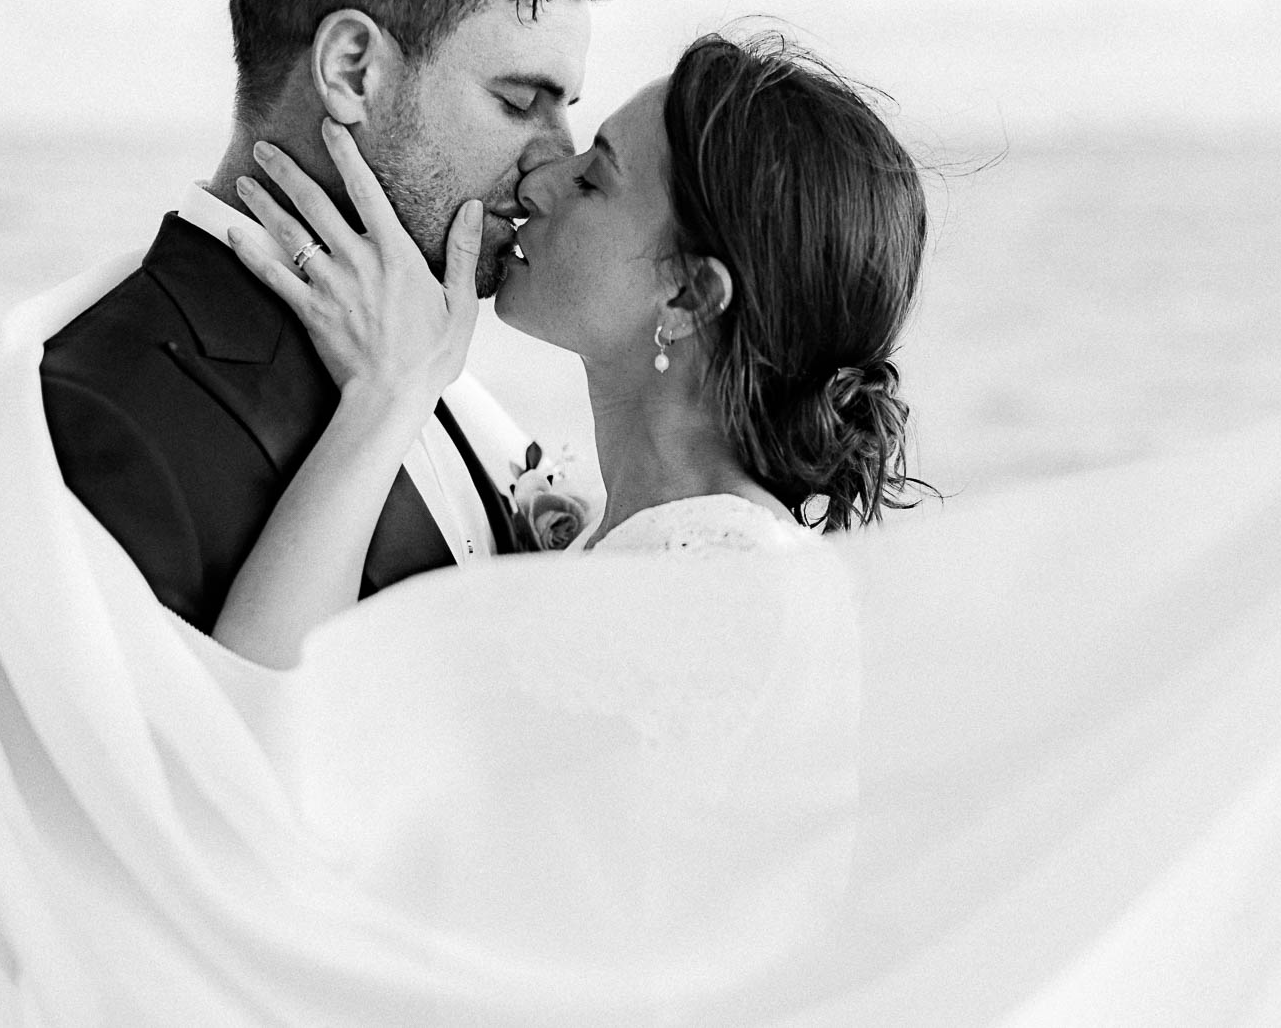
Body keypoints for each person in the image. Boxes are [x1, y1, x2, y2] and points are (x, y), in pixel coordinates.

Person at [213, 32, 931, 666]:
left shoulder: (713, 597)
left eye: (593, 179)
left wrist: (385, 394)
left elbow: (255, 722)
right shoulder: (638, 537)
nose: (540, 181)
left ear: (686, 297)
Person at [38, 0, 628, 634]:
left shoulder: (437, 367)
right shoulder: (111, 408)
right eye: (519, 102)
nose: (553, 163)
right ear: (352, 70)